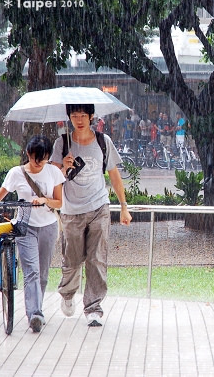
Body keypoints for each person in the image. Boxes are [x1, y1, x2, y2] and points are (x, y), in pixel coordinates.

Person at [0, 135, 64, 333]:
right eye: (36, 159)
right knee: (32, 271)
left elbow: (59, 202)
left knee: (43, 273)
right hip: (24, 226)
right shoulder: (16, 173)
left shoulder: (53, 172)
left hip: (48, 226)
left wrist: (45, 200)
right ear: (28, 154)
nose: (40, 164)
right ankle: (34, 313)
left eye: (44, 159)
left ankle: (38, 308)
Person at [50, 104, 132, 327]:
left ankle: (93, 307)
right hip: (71, 211)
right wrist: (63, 168)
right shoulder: (62, 143)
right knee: (72, 260)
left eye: (83, 115)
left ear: (91, 116)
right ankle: (67, 294)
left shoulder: (103, 141)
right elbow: (52, 180)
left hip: (99, 208)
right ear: (68, 117)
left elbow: (114, 176)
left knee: (97, 259)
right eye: (74, 115)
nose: (79, 120)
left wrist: (123, 206)